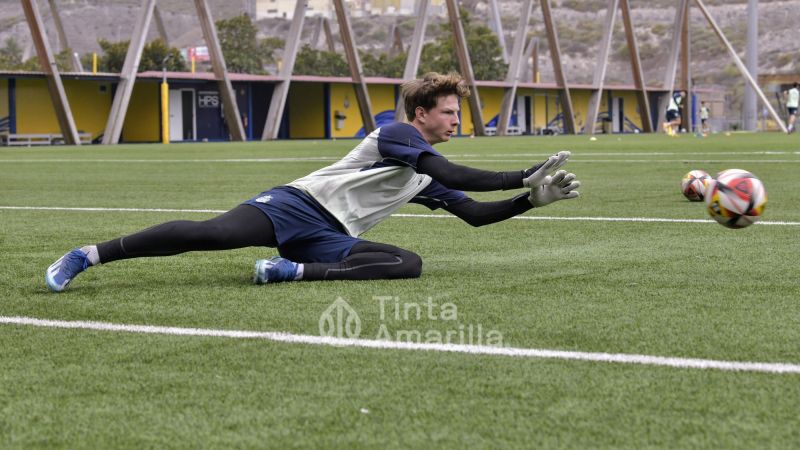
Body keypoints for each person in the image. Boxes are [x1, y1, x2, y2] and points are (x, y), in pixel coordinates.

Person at [45, 72, 581, 291]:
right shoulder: (397, 134)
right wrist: (519, 174)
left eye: (457, 113)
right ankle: (88, 255)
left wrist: (530, 200)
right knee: (211, 234)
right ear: (421, 114)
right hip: (297, 205)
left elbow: (475, 215)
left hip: (330, 236)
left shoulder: (423, 167)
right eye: (448, 112)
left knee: (408, 263)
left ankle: (291, 270)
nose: (456, 120)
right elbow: (449, 172)